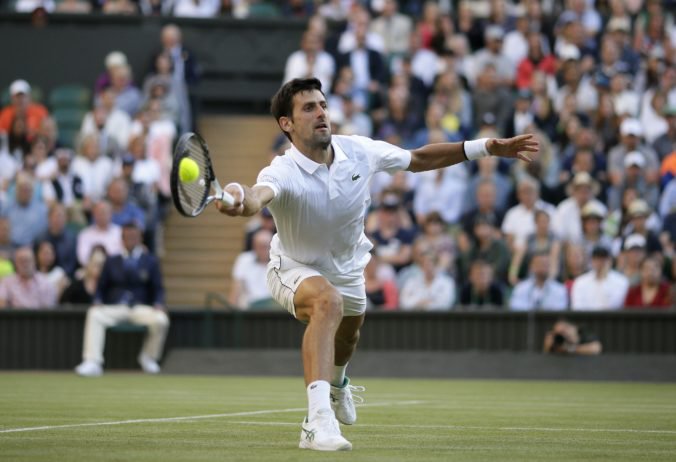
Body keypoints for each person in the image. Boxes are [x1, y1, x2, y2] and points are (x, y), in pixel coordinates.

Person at [213, 78, 537, 451]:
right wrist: (238, 196)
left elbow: (418, 159)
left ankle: (337, 385)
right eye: (308, 108)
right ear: (286, 123)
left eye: (322, 104)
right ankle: (316, 423)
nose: (321, 112)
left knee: (348, 337)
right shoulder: (283, 171)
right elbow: (255, 197)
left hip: (348, 269)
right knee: (327, 303)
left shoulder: (359, 150)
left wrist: (488, 148)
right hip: (293, 267)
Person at [75, 221, 169, 377]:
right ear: (122, 238)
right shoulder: (111, 260)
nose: (131, 239)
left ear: (140, 238)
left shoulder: (151, 261)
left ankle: (148, 357)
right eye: (127, 236)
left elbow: (158, 287)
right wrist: (97, 300)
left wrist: (158, 303)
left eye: (134, 236)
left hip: (140, 308)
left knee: (161, 320)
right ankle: (93, 361)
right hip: (116, 307)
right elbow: (101, 287)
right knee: (94, 314)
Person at [571, 245, 629, 311]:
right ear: (592, 261)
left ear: (610, 260)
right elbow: (578, 308)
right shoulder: (580, 282)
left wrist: (603, 278)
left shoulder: (621, 281)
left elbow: (615, 305)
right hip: (586, 320)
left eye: (604, 259)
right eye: (597, 258)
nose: (600, 262)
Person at [228, 229, 274, 309]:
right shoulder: (244, 259)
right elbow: (236, 288)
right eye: (259, 246)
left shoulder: (280, 262)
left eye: (265, 246)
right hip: (250, 309)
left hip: (274, 309)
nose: (263, 250)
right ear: (254, 246)